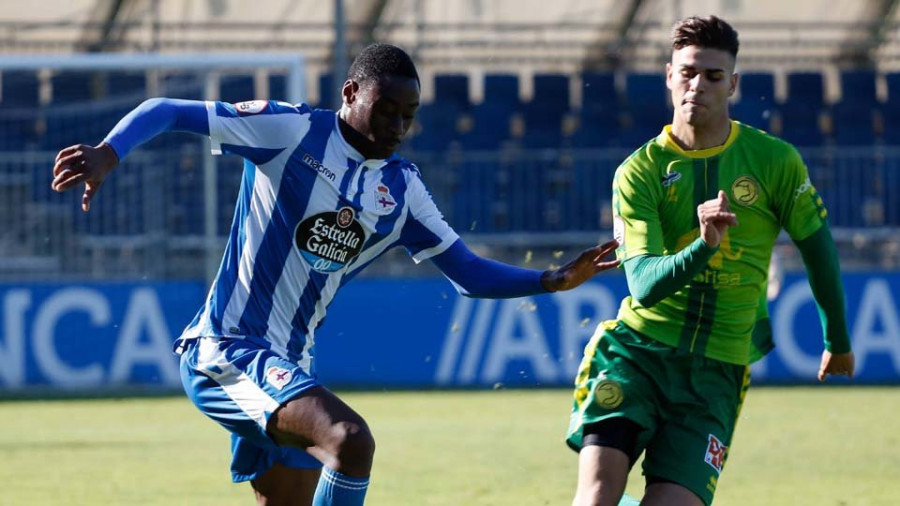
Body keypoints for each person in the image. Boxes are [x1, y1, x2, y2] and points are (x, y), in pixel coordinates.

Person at [51, 43, 619, 506]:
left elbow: (466, 272)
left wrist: (550, 280)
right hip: (227, 348)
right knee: (351, 441)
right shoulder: (290, 131)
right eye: (387, 109)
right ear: (351, 93)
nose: (398, 126)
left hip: (290, 366)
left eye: (409, 116)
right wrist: (109, 152)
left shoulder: (402, 189)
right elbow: (169, 111)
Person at [565, 15, 855, 506]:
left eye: (713, 76)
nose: (697, 85)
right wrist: (703, 247)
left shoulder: (775, 161)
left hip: (716, 372)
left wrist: (838, 339)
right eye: (687, 72)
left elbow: (818, 247)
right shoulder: (639, 172)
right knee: (596, 496)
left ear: (734, 84)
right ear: (668, 75)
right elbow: (643, 283)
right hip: (638, 353)